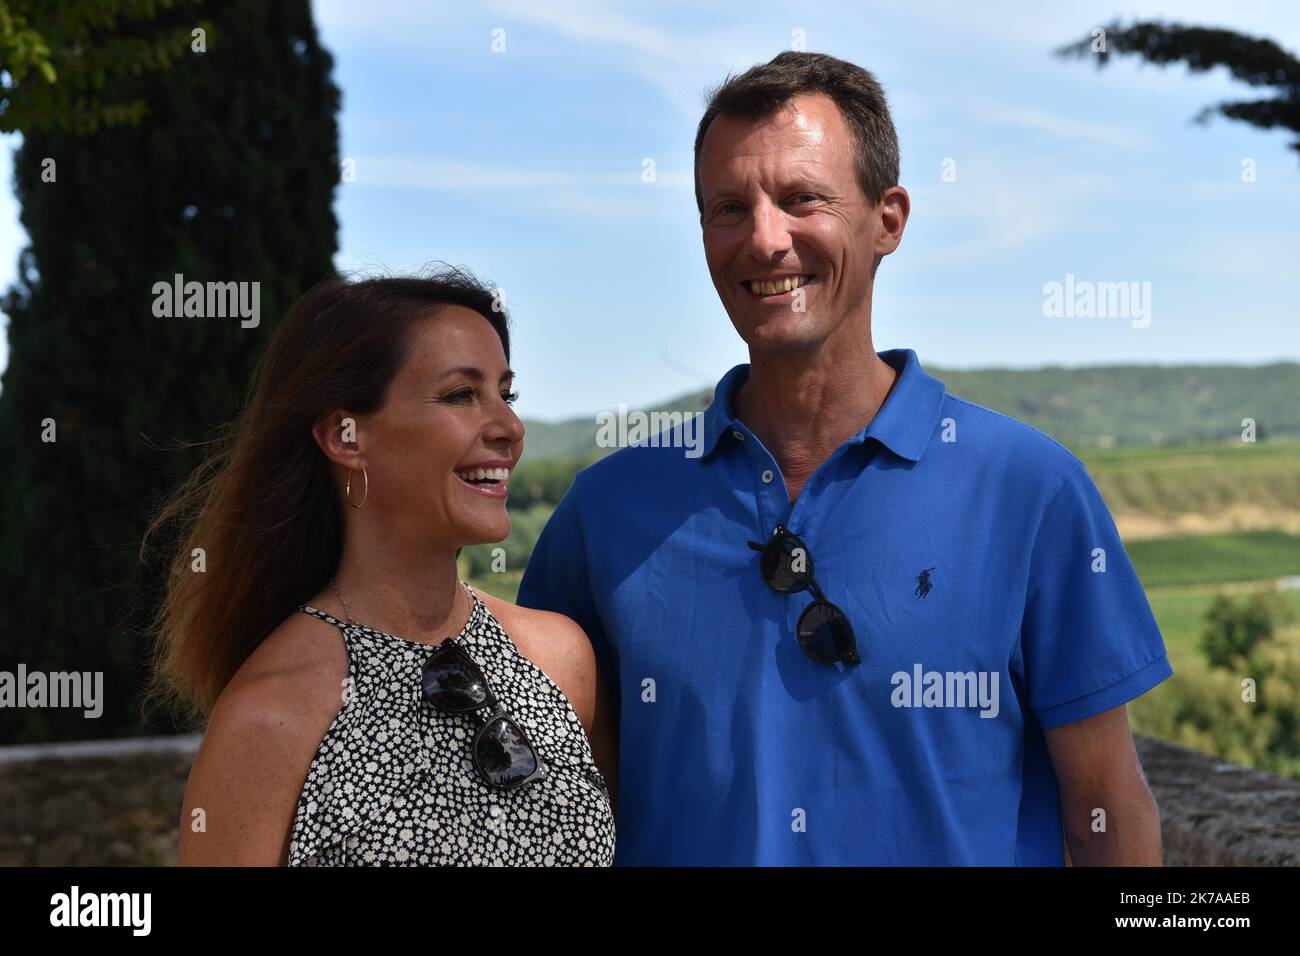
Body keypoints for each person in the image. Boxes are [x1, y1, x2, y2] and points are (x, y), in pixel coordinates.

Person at [517, 51, 1172, 866]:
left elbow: (1106, 811)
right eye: (728, 208)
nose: (764, 239)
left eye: (802, 199)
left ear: (888, 219)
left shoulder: (1029, 492)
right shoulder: (606, 513)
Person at [147, 269, 616, 866]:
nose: (510, 428)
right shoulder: (270, 717)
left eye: (507, 393)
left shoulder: (561, 660)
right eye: (460, 395)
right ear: (346, 438)